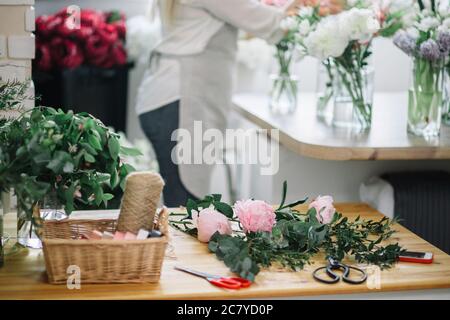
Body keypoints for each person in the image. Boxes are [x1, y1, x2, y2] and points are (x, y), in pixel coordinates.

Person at [136, 0, 343, 207]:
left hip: (167, 99)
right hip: (180, 105)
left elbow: (240, 20)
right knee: (186, 207)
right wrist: (312, 7)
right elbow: (267, 22)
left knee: (180, 202)